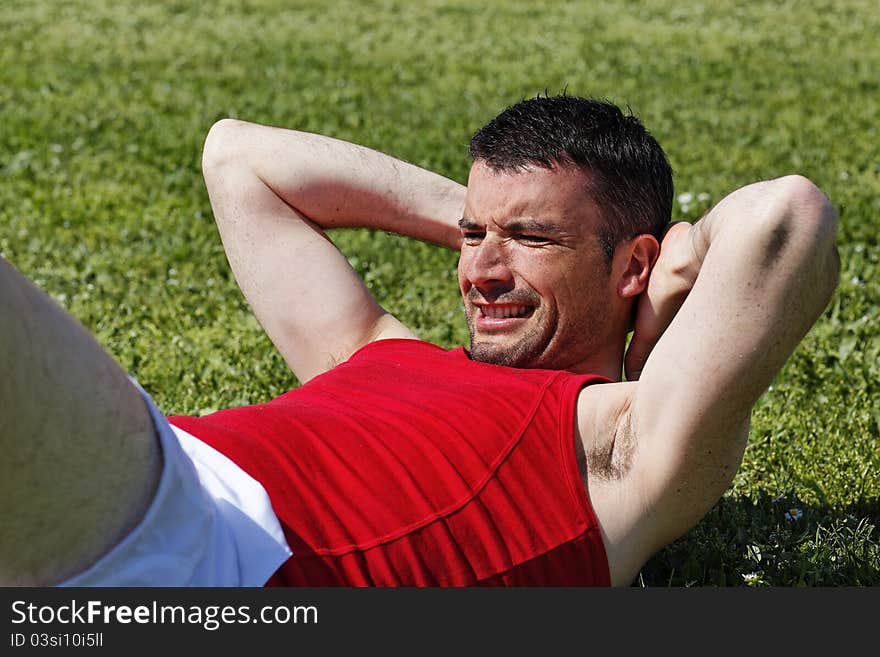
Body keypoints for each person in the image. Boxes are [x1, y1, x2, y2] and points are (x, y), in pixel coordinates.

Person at [0, 95, 839, 587]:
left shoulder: (623, 446)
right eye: (473, 235)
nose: (480, 270)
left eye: (533, 239)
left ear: (633, 264)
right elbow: (239, 158)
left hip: (200, 551)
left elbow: (786, 215)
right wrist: (494, 231)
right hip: (146, 484)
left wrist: (671, 280)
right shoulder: (371, 346)